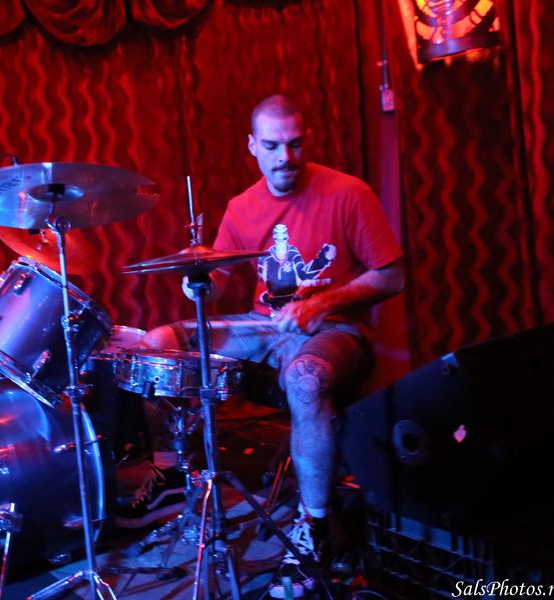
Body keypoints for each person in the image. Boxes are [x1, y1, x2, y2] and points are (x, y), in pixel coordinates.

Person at [117, 94, 404, 597]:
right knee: (160, 344)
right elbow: (223, 283)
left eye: (294, 144)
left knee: (305, 379)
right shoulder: (242, 207)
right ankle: (175, 475)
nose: (284, 157)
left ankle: (314, 528)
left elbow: (392, 275)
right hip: (264, 326)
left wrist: (323, 303)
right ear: (252, 146)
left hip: (334, 331)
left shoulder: (348, 193)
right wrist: (199, 281)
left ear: (307, 140)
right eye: (272, 146)